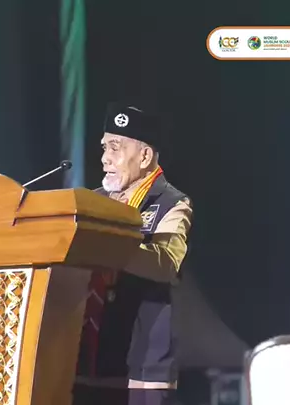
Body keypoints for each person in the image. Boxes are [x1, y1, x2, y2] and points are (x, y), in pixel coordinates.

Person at [72, 101, 193, 405]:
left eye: (115, 148)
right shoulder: (91, 203)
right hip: (87, 357)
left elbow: (166, 263)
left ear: (145, 156)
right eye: (104, 148)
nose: (105, 158)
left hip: (143, 363)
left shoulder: (173, 203)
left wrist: (109, 244)